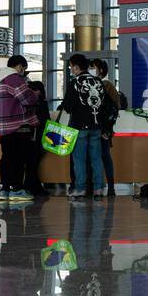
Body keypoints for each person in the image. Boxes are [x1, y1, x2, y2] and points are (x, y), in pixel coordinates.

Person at [61, 54, 108, 200]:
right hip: (96, 126)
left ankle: (80, 189)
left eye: (71, 67)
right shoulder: (98, 81)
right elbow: (105, 105)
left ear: (75, 66)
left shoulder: (74, 82)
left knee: (79, 159)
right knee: (96, 158)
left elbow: (68, 106)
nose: (71, 70)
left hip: (79, 126)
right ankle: (99, 188)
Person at [0, 55, 39, 201]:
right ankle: (17, 190)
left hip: (5, 128)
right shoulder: (14, 78)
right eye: (23, 69)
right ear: (20, 66)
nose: (23, 72)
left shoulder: (0, 80)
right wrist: (35, 94)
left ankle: (5, 189)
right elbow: (27, 98)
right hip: (18, 126)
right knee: (18, 159)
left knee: (6, 158)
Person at [91, 59, 122, 196]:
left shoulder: (107, 84)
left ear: (101, 70)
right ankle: (105, 186)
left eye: (93, 67)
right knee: (102, 156)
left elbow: (115, 106)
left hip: (103, 129)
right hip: (97, 128)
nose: (91, 70)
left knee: (104, 156)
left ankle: (110, 186)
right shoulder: (94, 84)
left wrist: (107, 128)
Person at [24, 80, 51, 198]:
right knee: (33, 163)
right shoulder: (43, 103)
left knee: (31, 163)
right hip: (40, 137)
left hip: (33, 136)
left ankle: (30, 186)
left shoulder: (32, 103)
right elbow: (46, 120)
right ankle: (34, 187)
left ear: (38, 91)